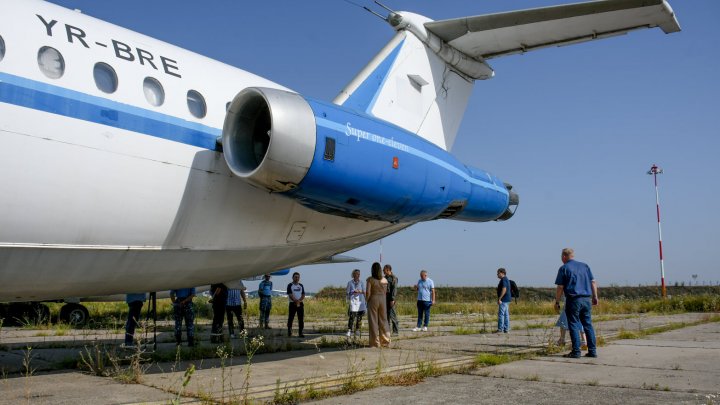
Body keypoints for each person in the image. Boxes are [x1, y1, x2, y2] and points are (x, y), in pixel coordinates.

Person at [554, 248, 599, 358]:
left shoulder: (564, 268)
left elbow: (560, 287)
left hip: (573, 299)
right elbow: (593, 282)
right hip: (586, 299)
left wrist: (557, 301)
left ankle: (576, 351)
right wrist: (595, 296)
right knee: (587, 324)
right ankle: (592, 351)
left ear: (564, 256)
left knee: (573, 324)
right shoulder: (585, 266)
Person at [365, 262, 390, 347]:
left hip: (373, 299)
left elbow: (368, 292)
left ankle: (375, 342)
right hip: (383, 300)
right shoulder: (384, 280)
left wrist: (366, 300)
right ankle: (385, 341)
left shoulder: (370, 279)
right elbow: (386, 292)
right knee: (384, 320)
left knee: (373, 321)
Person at [346, 269, 367, 337]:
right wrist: (353, 292)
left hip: (360, 301)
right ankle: (350, 330)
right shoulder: (350, 283)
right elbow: (347, 293)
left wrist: (360, 292)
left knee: (359, 316)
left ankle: (357, 329)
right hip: (353, 301)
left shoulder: (361, 282)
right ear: (353, 275)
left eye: (359, 274)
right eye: (356, 274)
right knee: (352, 316)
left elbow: (364, 291)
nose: (358, 275)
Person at [287, 272, 305, 337]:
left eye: (298, 277)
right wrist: (295, 300)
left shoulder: (301, 285)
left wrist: (299, 301)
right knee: (291, 318)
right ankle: (289, 332)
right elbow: (290, 294)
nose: (297, 278)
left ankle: (301, 332)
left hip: (300, 304)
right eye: (295, 277)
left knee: (301, 318)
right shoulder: (290, 285)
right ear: (293, 278)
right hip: (292, 304)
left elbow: (303, 294)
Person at [383, 264, 399, 335]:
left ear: (388, 270)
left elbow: (394, 289)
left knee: (392, 315)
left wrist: (392, 299)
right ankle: (387, 330)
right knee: (386, 316)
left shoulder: (393, 278)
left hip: (390, 298)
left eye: (384, 270)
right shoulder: (384, 278)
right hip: (385, 298)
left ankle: (395, 331)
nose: (383, 271)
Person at [495, 268, 512, 333]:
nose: (497, 275)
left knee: (501, 314)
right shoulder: (506, 279)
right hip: (507, 299)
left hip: (504, 300)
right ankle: (506, 328)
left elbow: (504, 289)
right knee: (506, 314)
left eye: (498, 273)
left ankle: (500, 329)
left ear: (502, 273)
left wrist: (500, 298)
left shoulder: (503, 280)